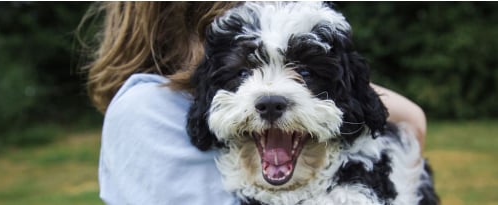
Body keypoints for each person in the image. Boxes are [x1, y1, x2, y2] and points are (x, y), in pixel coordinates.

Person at [80, 2, 427, 204]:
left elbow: (409, 121)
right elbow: (412, 120)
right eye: (246, 69)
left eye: (302, 72)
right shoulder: (145, 108)